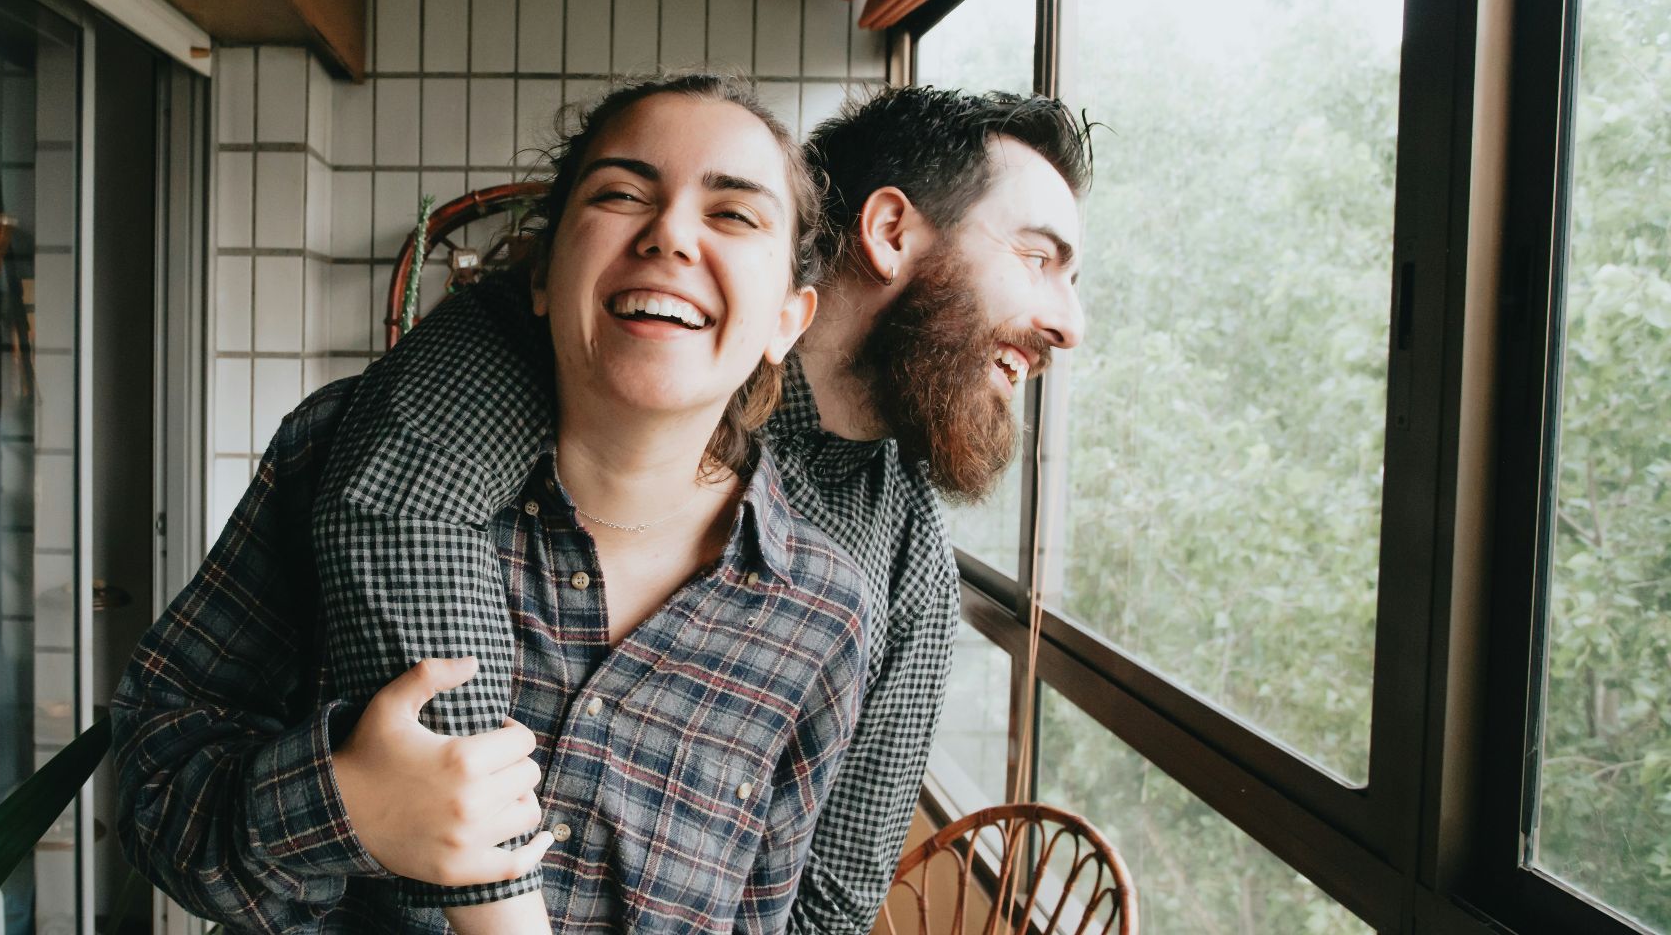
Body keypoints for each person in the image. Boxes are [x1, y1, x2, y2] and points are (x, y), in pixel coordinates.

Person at [114, 83, 1091, 933]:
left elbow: (825, 899)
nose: (1070, 324)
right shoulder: (426, 418)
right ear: (888, 233)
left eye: (734, 215)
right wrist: (346, 807)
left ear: (786, 313)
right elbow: (163, 771)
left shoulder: (880, 573)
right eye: (1039, 257)